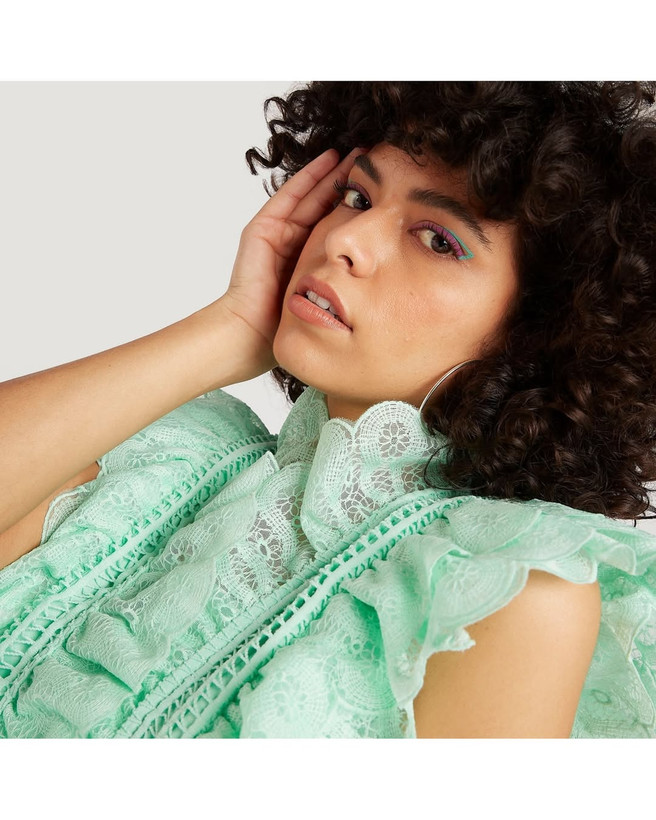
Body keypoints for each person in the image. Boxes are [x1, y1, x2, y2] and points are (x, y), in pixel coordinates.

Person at [0, 81, 655, 738]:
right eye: (357, 197)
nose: (347, 238)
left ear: (544, 330)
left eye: (438, 240)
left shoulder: (511, 585)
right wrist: (228, 330)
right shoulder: (177, 450)